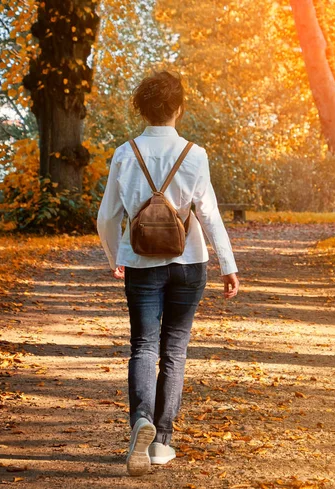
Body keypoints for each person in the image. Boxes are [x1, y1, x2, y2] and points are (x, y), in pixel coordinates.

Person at [96, 70, 239, 476]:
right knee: (174, 351)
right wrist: (228, 265)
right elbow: (208, 214)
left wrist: (115, 257)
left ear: (143, 107)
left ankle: (139, 420)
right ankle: (161, 442)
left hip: (141, 264)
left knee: (143, 346)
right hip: (189, 264)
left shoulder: (125, 153)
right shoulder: (195, 154)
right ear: (178, 108)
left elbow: (107, 217)